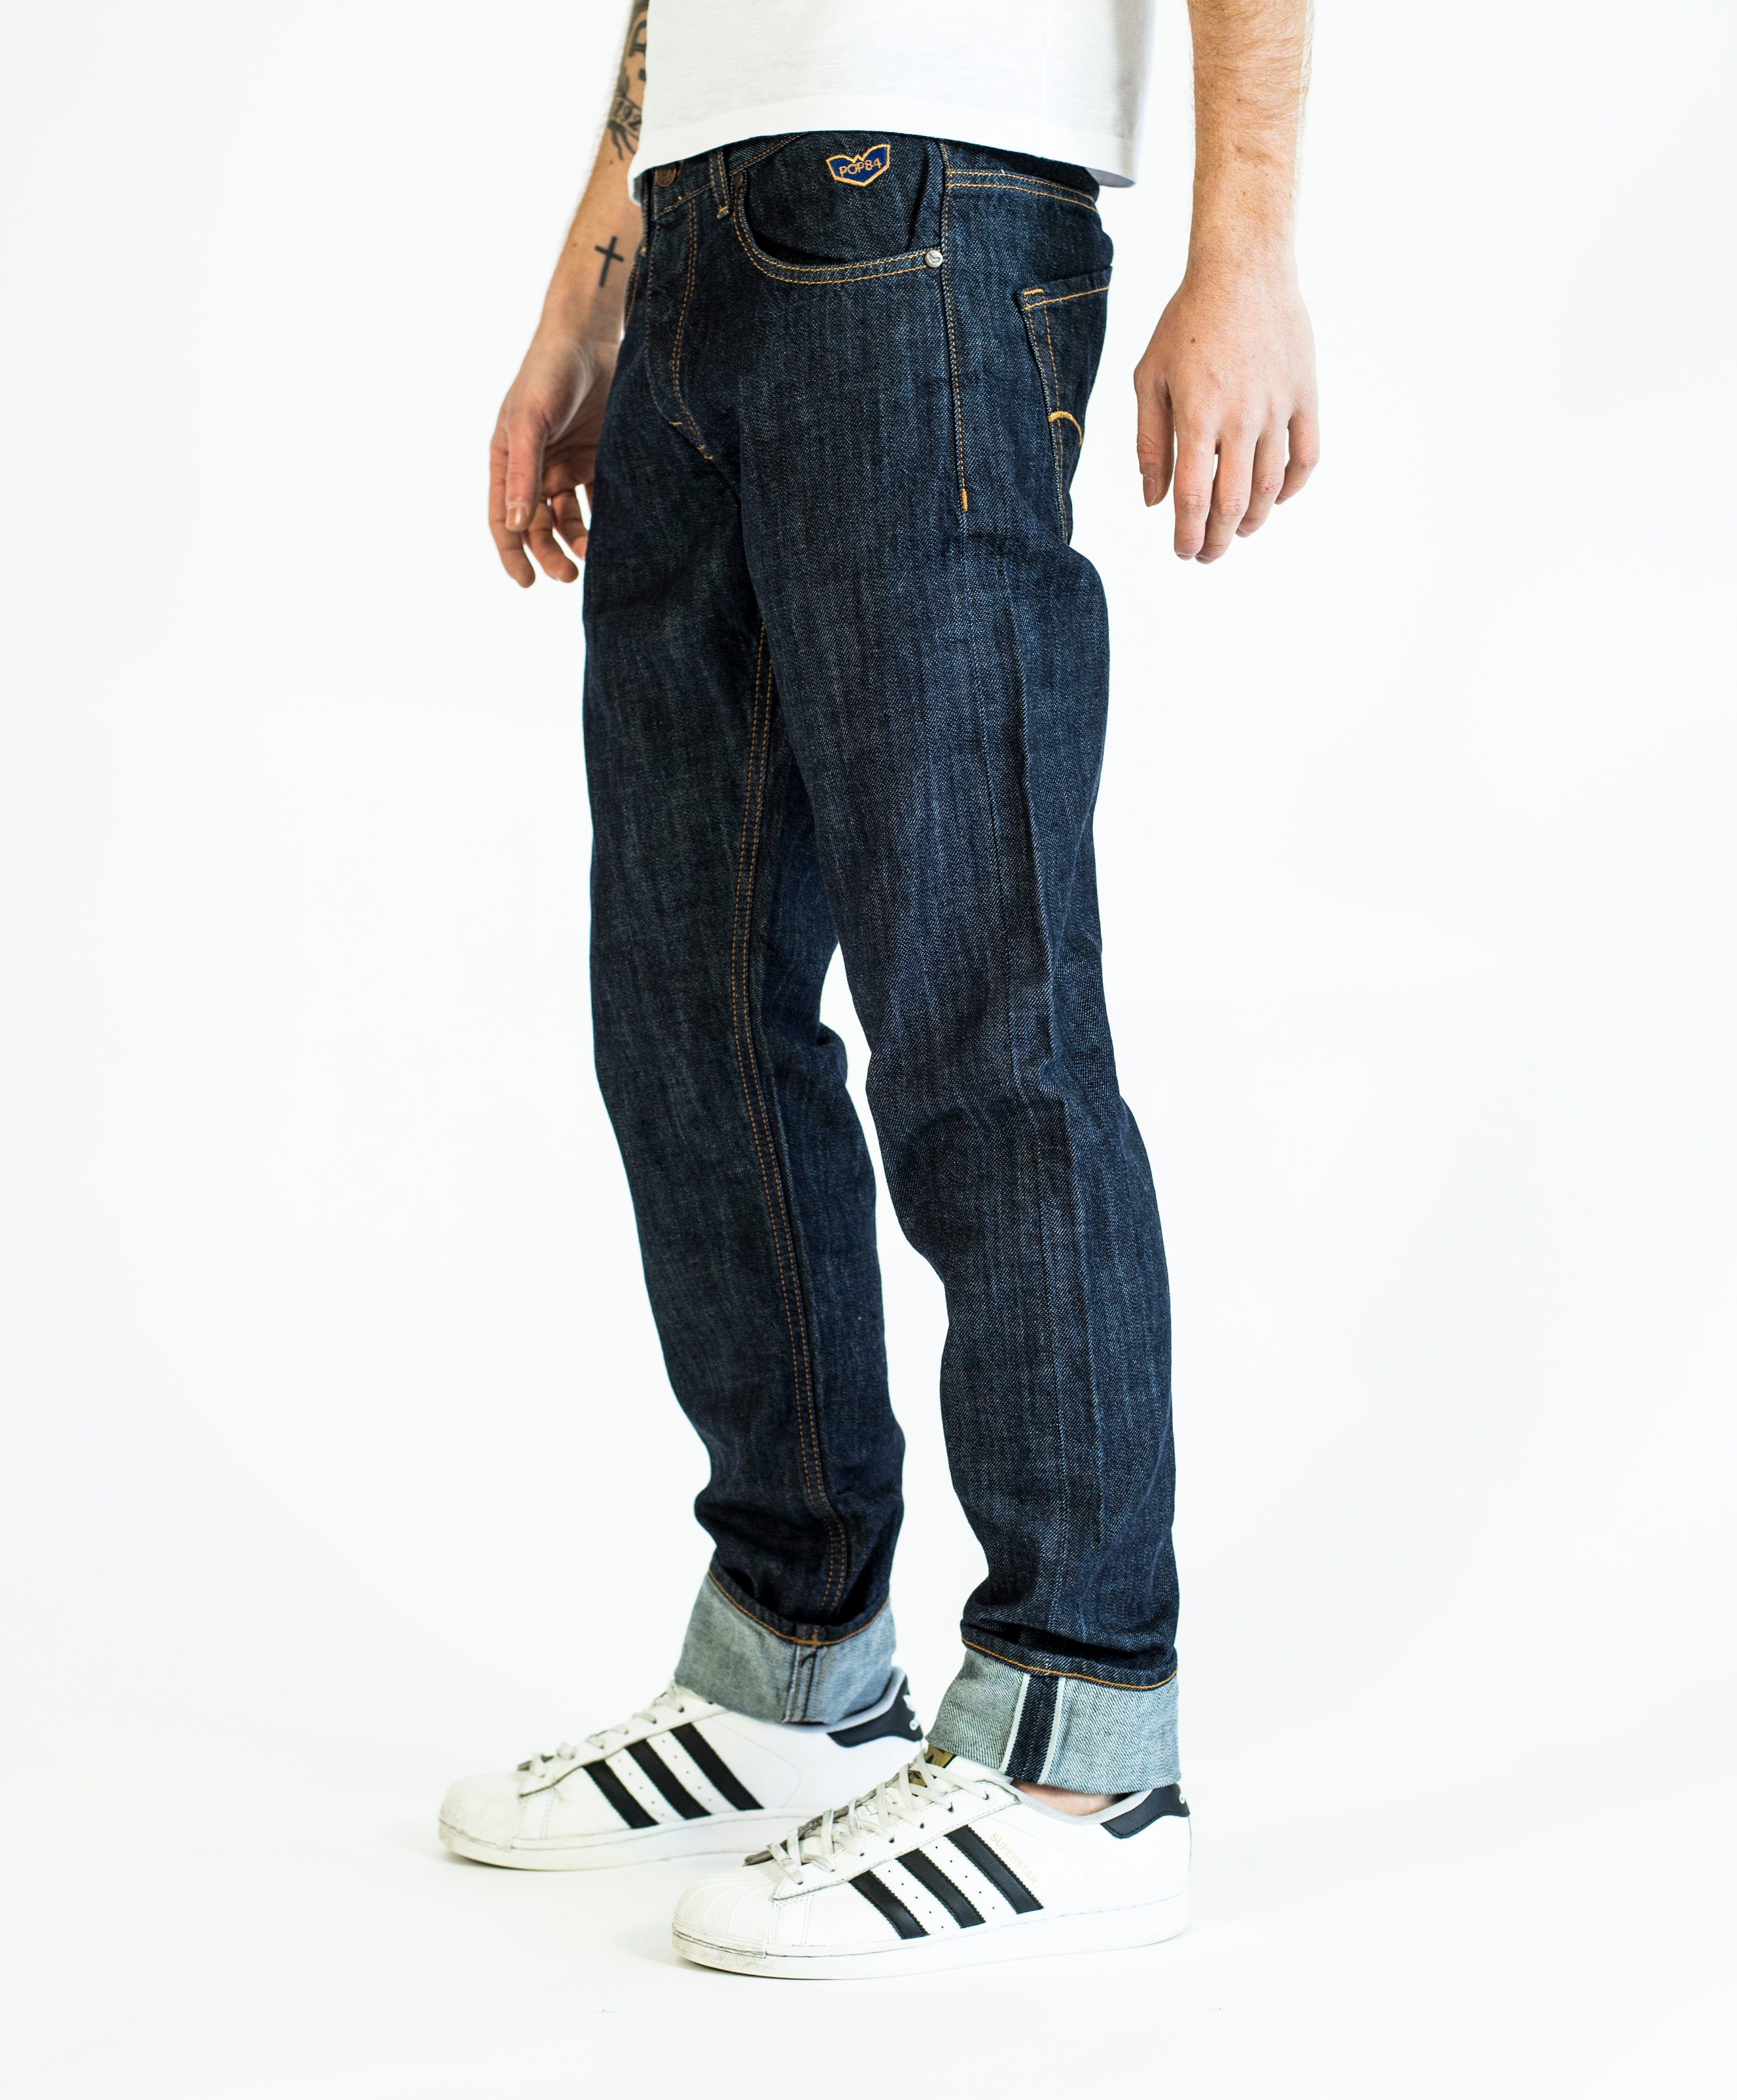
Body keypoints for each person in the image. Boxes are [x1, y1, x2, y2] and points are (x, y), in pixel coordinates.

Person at [441, 0, 1317, 1977]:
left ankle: (1083, 1750)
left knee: (981, 1011)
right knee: (685, 1009)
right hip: (695, 236)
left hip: (936, 212)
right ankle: (793, 1663)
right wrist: (592, 286)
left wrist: (1247, 246)